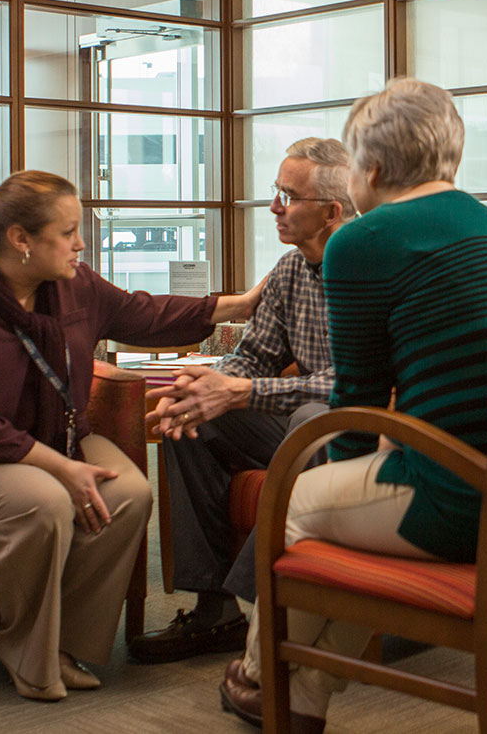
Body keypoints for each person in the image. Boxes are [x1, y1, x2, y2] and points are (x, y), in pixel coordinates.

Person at [215, 79, 487, 732]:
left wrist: (339, 479)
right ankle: (307, 692)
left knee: (295, 507)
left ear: (369, 169)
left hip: (465, 502)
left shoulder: (363, 241)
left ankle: (261, 678)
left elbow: (357, 402)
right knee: (347, 510)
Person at [0, 170, 262, 702]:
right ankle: (26, 651)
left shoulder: (74, 287)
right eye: (68, 232)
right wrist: (62, 469)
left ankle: (67, 645)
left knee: (129, 493)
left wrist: (239, 304)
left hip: (58, 440)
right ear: (20, 240)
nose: (81, 244)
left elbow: (144, 313)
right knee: (45, 503)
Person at [131, 138, 356, 664]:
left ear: (331, 211)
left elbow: (355, 383)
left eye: (289, 196)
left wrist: (247, 391)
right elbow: (253, 357)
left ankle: (261, 597)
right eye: (276, 192)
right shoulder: (288, 272)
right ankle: (215, 611)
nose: (275, 207)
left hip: (353, 427)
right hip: (294, 422)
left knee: (310, 417)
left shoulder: (367, 271)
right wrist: (210, 389)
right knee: (192, 416)